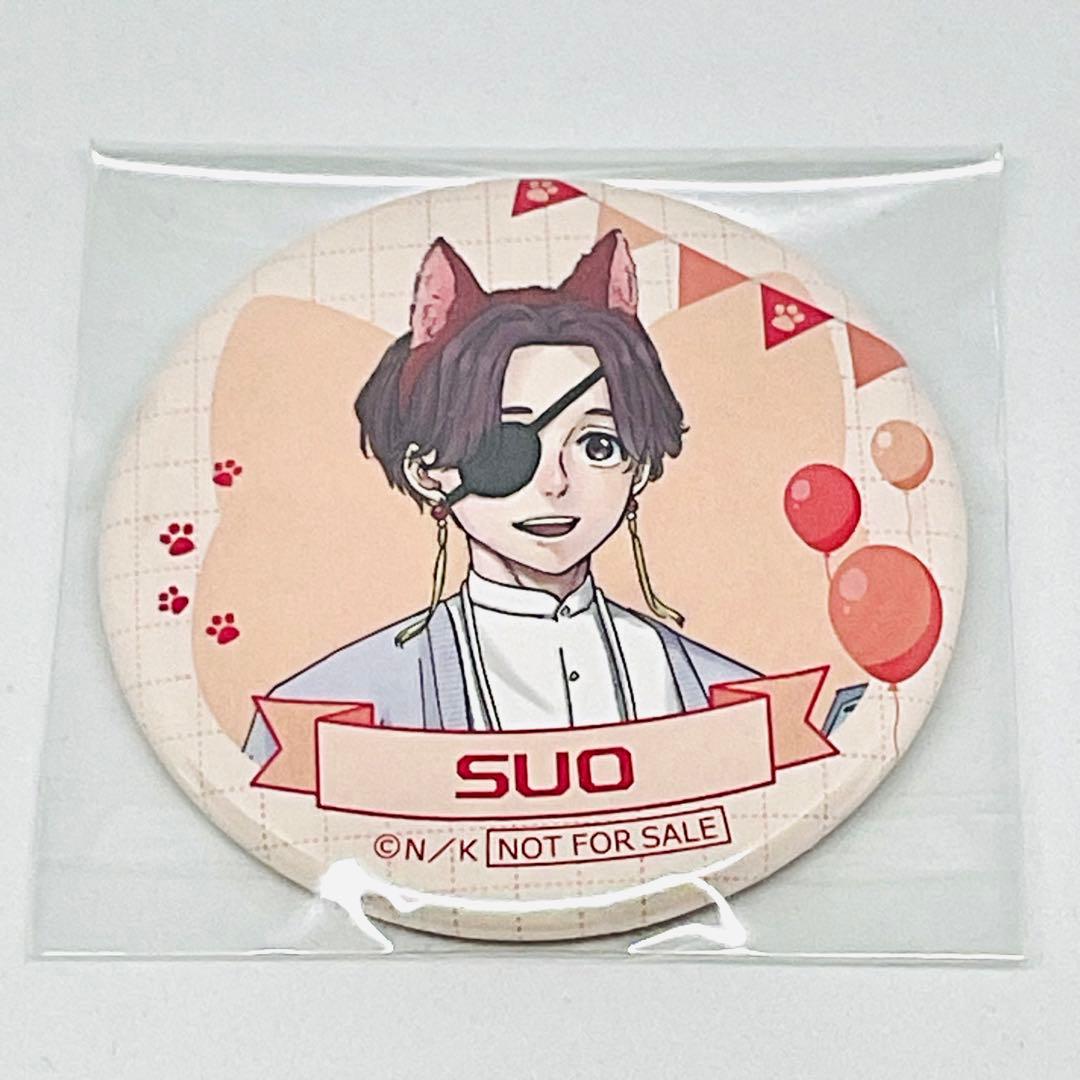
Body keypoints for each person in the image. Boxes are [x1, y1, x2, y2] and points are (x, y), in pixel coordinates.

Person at [245, 230, 756, 760]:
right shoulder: (326, 710)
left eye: (598, 445)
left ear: (640, 466)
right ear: (428, 471)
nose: (555, 483)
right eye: (503, 447)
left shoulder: (727, 694)